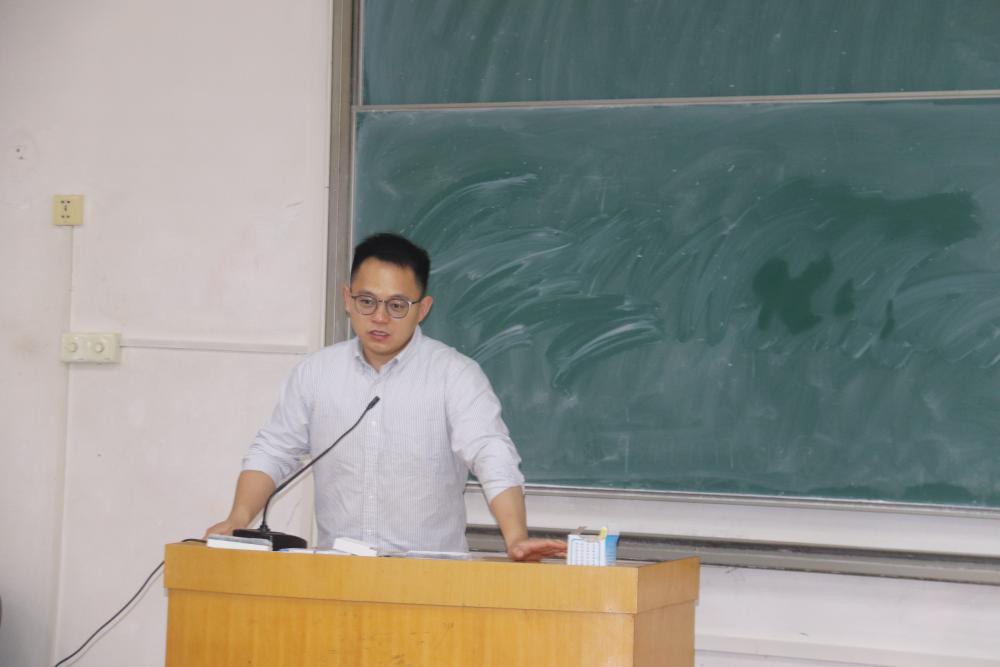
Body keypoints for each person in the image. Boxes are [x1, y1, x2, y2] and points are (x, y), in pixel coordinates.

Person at [205, 232, 565, 562]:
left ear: (422, 309)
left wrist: (516, 537)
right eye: (367, 301)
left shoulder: (455, 376)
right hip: (337, 578)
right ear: (347, 300)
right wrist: (237, 520)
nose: (379, 317)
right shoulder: (315, 374)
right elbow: (273, 450)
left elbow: (492, 454)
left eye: (396, 305)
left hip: (431, 582)